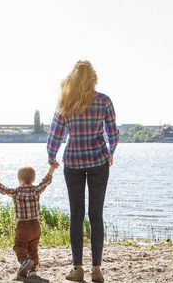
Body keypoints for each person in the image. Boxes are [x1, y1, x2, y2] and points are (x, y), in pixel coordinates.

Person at [46, 60, 119, 282]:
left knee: (76, 215)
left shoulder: (65, 102)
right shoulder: (103, 100)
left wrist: (52, 157)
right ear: (93, 79)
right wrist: (110, 151)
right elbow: (113, 132)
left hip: (73, 164)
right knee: (96, 215)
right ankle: (96, 270)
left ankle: (77, 269)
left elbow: (55, 136)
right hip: (99, 162)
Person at [0, 164, 57, 279]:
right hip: (36, 225)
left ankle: (25, 261)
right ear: (33, 179)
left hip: (23, 225)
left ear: (19, 179)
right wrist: (52, 169)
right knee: (33, 248)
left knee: (19, 246)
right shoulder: (36, 190)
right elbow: (46, 181)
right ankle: (32, 270)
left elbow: (3, 190)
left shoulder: (16, 192)